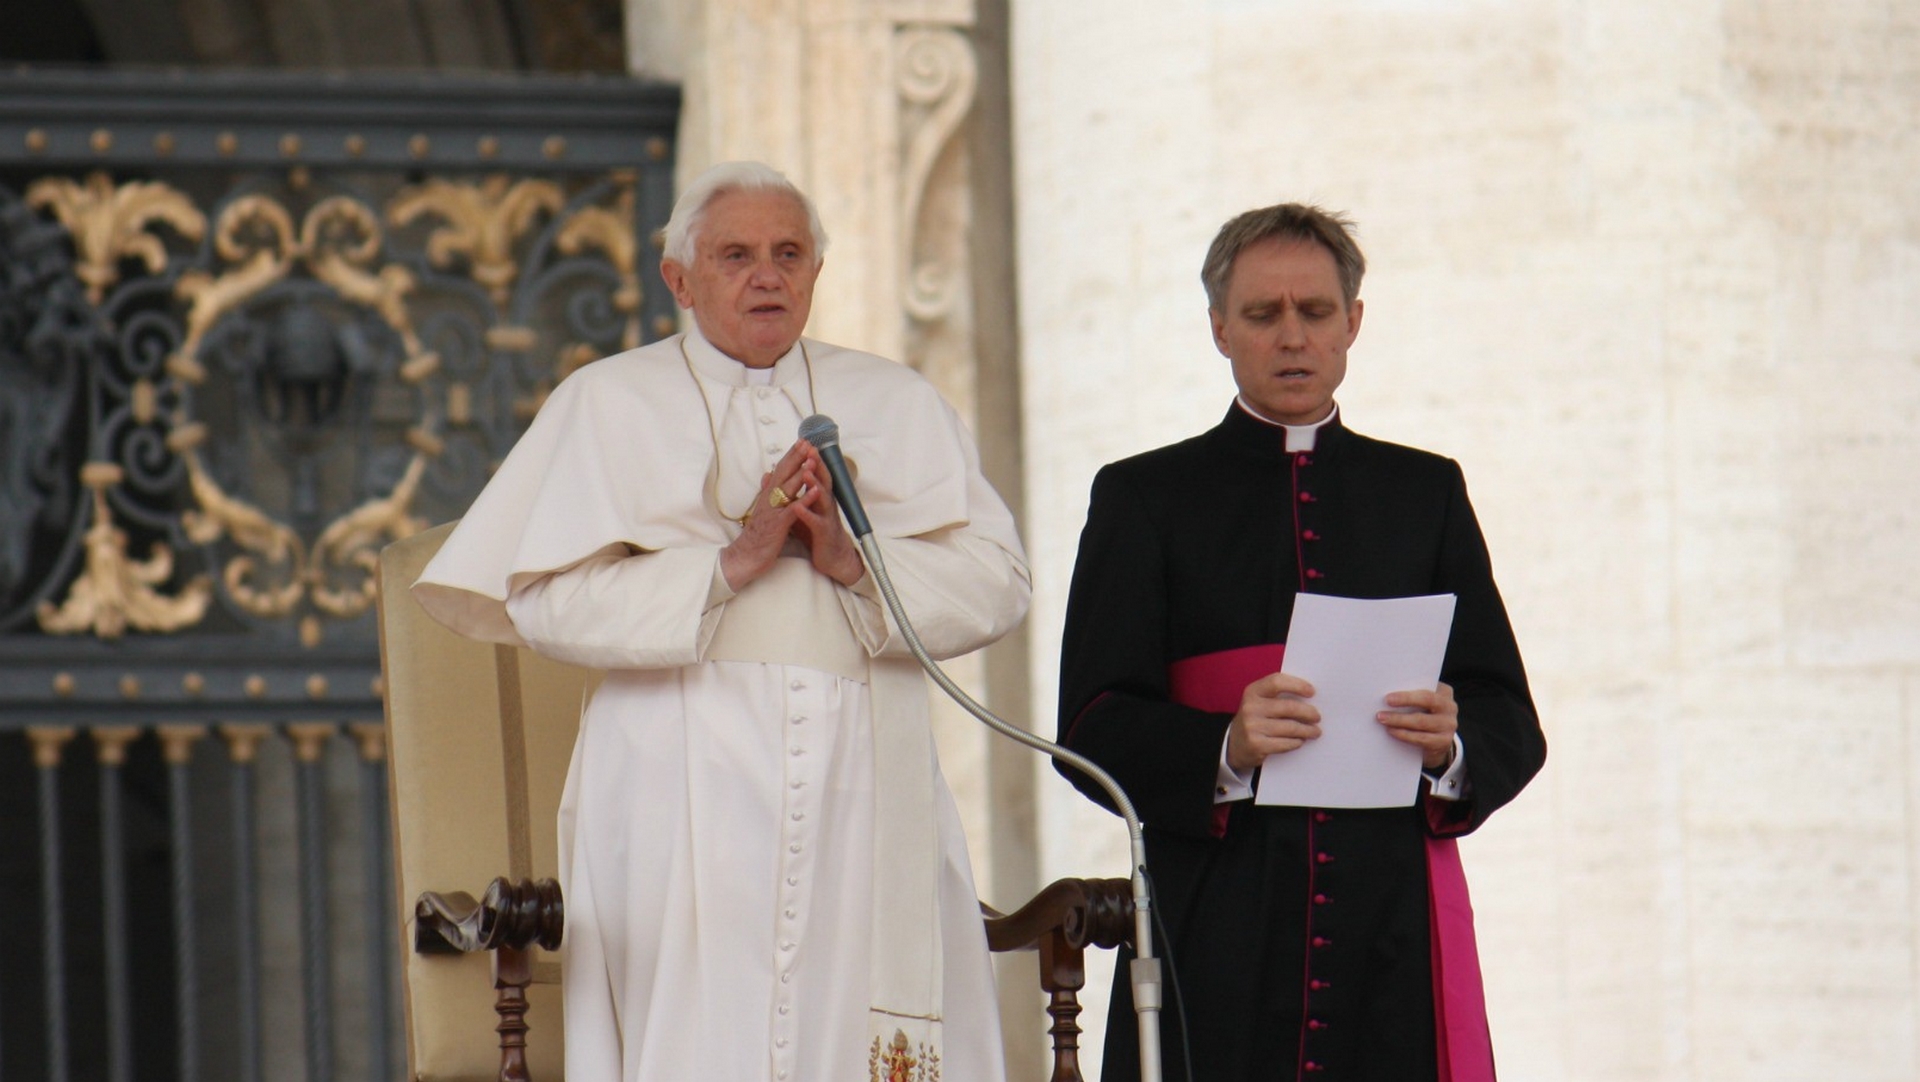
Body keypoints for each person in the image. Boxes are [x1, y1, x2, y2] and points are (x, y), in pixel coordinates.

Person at [412, 161, 1027, 1082]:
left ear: (818, 271)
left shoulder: (896, 402)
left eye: (789, 253)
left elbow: (999, 584)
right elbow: (544, 600)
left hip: (865, 773)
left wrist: (853, 563)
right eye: (736, 255)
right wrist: (733, 562)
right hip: (673, 772)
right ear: (680, 279)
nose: (766, 275)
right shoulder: (608, 401)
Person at [1056, 202, 1546, 1082]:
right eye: (1261, 314)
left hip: (1388, 926)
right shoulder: (1143, 498)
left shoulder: (1424, 492)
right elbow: (1089, 723)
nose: (1292, 337)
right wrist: (1224, 746)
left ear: (1353, 323)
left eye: (1314, 313)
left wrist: (1454, 746)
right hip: (1215, 919)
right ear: (1218, 328)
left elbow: (1509, 712)